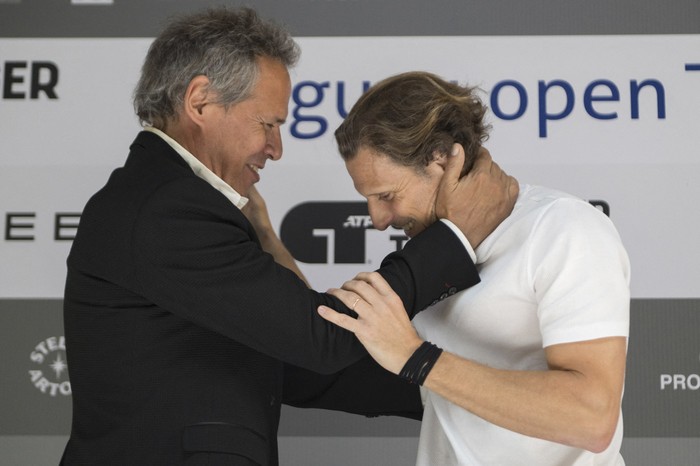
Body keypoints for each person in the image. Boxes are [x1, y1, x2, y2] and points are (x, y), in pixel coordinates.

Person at [59, 9, 519, 466]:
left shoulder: (169, 201)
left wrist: (467, 392)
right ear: (199, 101)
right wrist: (458, 233)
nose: (276, 149)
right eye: (268, 124)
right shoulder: (167, 207)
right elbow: (317, 340)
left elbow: (289, 364)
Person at [319, 71, 631, 465]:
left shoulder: (563, 228)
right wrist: (265, 236)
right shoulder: (432, 252)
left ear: (445, 158)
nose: (378, 220)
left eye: (387, 196)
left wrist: (416, 358)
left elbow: (591, 418)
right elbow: (328, 349)